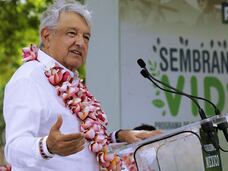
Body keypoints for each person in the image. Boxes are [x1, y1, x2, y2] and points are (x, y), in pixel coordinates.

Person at [3, 0, 160, 170]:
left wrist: (119, 136)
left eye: (86, 37)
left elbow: (83, 146)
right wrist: (47, 147)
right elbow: (13, 148)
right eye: (71, 33)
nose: (80, 42)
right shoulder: (30, 78)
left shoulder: (72, 82)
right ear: (47, 36)